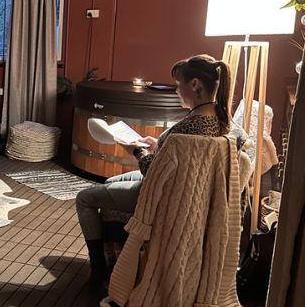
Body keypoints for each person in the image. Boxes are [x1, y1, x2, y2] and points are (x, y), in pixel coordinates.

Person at [75, 54, 233, 287]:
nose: (177, 90)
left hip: (165, 194)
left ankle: (99, 267)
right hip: (186, 191)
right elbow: (180, 160)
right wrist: (158, 144)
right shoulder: (218, 118)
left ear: (195, 85)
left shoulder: (191, 125)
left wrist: (136, 152)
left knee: (84, 199)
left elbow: (156, 174)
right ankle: (119, 257)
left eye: (179, 85)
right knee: (109, 182)